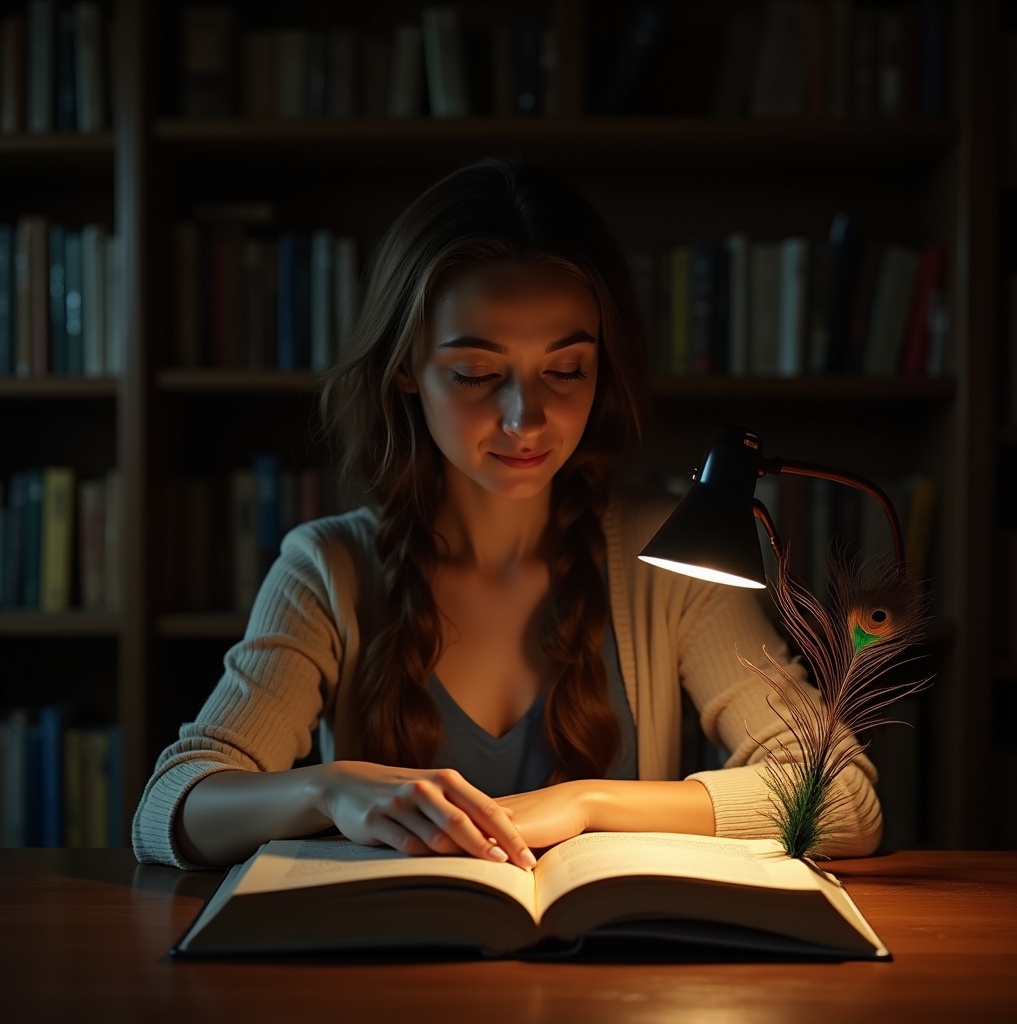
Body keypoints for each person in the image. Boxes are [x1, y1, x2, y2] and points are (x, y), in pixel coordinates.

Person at [132, 156, 882, 870]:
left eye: (566, 370)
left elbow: (843, 796)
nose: (527, 417)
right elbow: (168, 806)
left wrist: (585, 803)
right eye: (476, 373)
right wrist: (328, 788)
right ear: (404, 368)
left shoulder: (667, 559)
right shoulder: (328, 569)